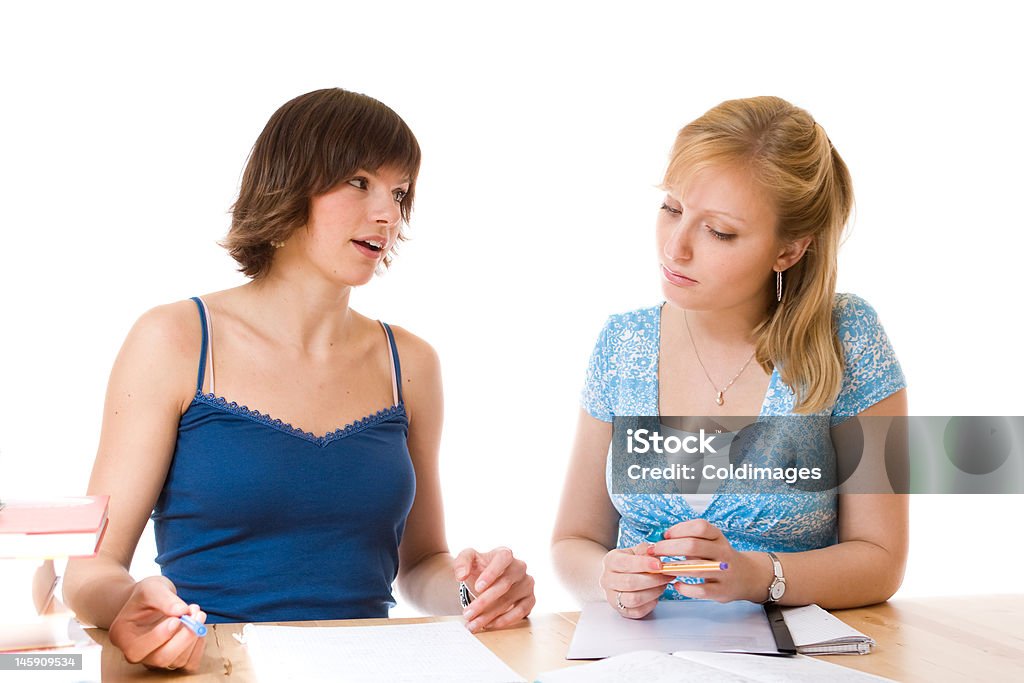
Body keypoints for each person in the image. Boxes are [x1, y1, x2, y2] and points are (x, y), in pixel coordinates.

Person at [63, 88, 535, 672]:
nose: (386, 213)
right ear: (288, 184)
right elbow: (90, 567)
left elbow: (420, 565)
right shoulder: (175, 339)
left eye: (399, 191)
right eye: (359, 181)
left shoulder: (409, 362)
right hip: (211, 669)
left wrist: (478, 591)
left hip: (370, 668)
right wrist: (130, 604)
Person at [551, 96, 908, 618]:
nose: (675, 248)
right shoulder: (622, 344)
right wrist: (608, 578)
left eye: (719, 231)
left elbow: (880, 560)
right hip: (639, 659)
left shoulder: (846, 336)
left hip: (795, 663)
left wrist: (757, 575)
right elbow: (574, 540)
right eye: (671, 209)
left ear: (789, 250)